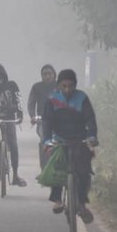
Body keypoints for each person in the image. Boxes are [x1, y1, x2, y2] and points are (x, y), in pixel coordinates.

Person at [41, 69, 98, 222]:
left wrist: (92, 136)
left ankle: (82, 204)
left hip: (80, 140)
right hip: (60, 140)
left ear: (75, 85)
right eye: (64, 86)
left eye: (70, 86)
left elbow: (90, 120)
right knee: (57, 168)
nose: (67, 90)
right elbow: (46, 122)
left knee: (84, 172)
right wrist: (46, 140)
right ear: (59, 85)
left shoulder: (82, 98)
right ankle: (57, 200)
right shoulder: (52, 99)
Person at [28, 64, 57, 170]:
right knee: (44, 141)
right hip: (43, 121)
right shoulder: (36, 87)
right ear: (41, 76)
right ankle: (44, 169)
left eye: (50, 73)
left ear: (54, 74)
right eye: (45, 74)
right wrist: (32, 116)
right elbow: (31, 103)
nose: (47, 76)